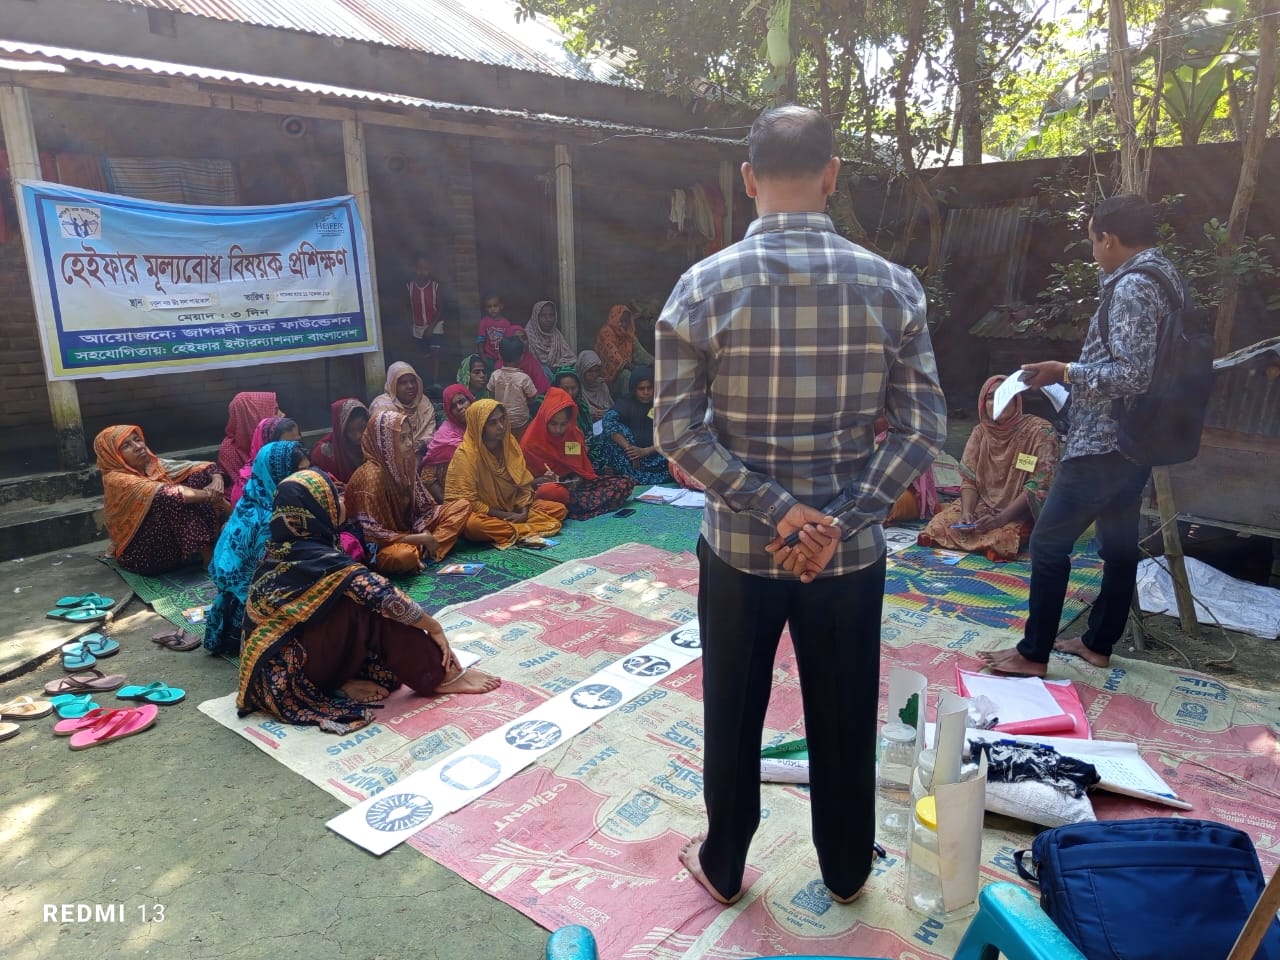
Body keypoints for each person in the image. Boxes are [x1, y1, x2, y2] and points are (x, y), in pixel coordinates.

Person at [653, 105, 946, 906]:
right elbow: (924, 429)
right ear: (831, 175)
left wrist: (778, 513)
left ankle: (723, 863)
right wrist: (835, 521)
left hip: (742, 552)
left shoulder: (699, 287)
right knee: (846, 712)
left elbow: (673, 431)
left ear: (747, 180)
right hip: (847, 558)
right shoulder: (893, 287)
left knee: (733, 711)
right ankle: (848, 868)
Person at [980, 195, 1175, 678]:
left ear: (1108, 238)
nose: (1093, 252)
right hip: (1139, 439)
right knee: (1117, 544)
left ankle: (1033, 654)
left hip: (1104, 442)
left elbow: (1132, 373)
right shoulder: (1167, 278)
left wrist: (1064, 371)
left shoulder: (1133, 286)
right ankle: (1097, 643)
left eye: (1093, 241)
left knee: (1048, 544)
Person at [236, 469, 500, 734]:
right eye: (333, 497)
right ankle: (438, 676)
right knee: (374, 611)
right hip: (290, 682)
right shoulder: (316, 558)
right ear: (315, 510)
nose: (342, 501)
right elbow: (381, 595)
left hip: (280, 674)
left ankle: (340, 681)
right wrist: (433, 627)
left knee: (353, 606)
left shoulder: (286, 548)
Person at [919, 376, 1059, 560]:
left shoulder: (1040, 432)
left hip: (1022, 509)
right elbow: (970, 480)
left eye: (1005, 395)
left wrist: (1001, 519)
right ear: (983, 404)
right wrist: (967, 513)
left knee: (1003, 538)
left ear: (1016, 399)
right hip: (983, 504)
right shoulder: (980, 432)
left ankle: (993, 542)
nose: (998, 401)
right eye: (991, 397)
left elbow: (1037, 486)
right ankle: (980, 539)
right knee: (937, 527)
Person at [206, 440, 309, 655]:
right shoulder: (269, 520)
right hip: (254, 615)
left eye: (308, 471)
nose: (307, 479)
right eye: (299, 473)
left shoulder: (253, 499)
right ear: (278, 474)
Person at [344, 410, 472, 574]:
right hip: (380, 545)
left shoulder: (404, 463)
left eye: (408, 436)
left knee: (462, 506)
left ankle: (428, 550)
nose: (410, 443)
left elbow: (423, 508)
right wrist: (418, 538)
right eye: (402, 439)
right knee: (403, 556)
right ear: (385, 443)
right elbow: (372, 535)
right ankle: (424, 551)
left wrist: (423, 530)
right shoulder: (371, 475)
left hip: (409, 532)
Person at [96, 424, 232, 575]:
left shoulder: (152, 465)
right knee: (170, 497)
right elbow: (167, 493)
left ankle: (210, 546)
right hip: (143, 556)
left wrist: (216, 481)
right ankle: (208, 556)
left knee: (198, 476)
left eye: (137, 440)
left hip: (171, 546)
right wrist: (212, 498)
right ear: (113, 455)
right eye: (127, 445)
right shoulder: (116, 478)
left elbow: (202, 466)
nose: (138, 446)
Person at [443, 399, 568, 547]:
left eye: (502, 419)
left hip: (513, 508)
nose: (501, 427)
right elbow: (466, 502)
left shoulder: (509, 444)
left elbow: (521, 484)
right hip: (486, 515)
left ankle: (512, 530)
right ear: (480, 426)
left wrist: (523, 512)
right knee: (473, 527)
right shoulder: (465, 455)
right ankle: (520, 529)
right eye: (493, 423)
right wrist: (509, 516)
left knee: (559, 510)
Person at [521, 387, 634, 520]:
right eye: (553, 424)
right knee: (551, 492)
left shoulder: (571, 435)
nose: (558, 429)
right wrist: (540, 481)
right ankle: (576, 507)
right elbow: (523, 484)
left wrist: (576, 479)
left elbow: (578, 465)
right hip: (548, 490)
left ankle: (572, 508)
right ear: (544, 418)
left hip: (575, 489)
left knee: (625, 483)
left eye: (563, 424)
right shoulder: (530, 443)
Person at [596, 366, 672, 484]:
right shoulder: (626, 402)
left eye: (649, 388)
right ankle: (631, 474)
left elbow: (671, 433)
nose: (646, 393)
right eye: (641, 389)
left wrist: (646, 451)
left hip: (655, 456)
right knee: (610, 435)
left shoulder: (661, 404)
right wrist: (630, 449)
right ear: (633, 389)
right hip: (631, 457)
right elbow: (608, 421)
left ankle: (639, 477)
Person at [229, 416, 301, 506]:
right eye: (285, 445)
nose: (294, 450)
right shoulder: (247, 487)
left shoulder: (301, 469)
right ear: (266, 446)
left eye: (297, 442)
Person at [369, 361, 435, 456]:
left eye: (413, 381)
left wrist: (418, 447)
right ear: (393, 385)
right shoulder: (382, 406)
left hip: (423, 454)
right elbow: (385, 445)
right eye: (403, 383)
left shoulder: (423, 402)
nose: (410, 386)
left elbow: (429, 434)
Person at [217, 391, 281, 482]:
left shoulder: (279, 438)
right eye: (275, 411)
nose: (282, 414)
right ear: (253, 416)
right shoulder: (229, 451)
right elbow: (242, 488)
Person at [421, 384, 472, 494]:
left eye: (462, 401)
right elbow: (427, 476)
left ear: (471, 400)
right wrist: (447, 503)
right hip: (452, 497)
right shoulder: (444, 435)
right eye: (453, 406)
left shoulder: (484, 427)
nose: (459, 408)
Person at [594, 304, 653, 395]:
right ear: (614, 318)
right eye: (621, 321)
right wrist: (635, 369)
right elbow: (614, 356)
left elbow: (641, 354)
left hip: (628, 369)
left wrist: (656, 363)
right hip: (608, 377)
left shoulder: (628, 334)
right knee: (627, 375)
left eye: (626, 321)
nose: (623, 324)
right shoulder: (606, 332)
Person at [487, 337, 539, 440]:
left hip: (501, 422)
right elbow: (533, 398)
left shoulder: (495, 375)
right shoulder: (524, 378)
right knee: (520, 445)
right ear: (521, 357)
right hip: (520, 422)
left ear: (500, 355)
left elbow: (490, 393)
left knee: (504, 445)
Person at [309, 398, 370, 485]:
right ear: (340, 430)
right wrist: (331, 487)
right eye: (351, 430)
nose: (358, 435)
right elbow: (315, 486)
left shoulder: (373, 446)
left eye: (362, 428)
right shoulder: (323, 454)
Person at [408, 253, 444, 385]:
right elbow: (406, 307)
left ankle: (435, 382)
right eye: (419, 268)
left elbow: (441, 309)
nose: (422, 272)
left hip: (435, 324)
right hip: (417, 325)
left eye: (426, 269)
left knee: (435, 352)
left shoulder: (435, 286)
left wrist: (431, 327)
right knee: (421, 355)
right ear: (414, 268)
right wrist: (409, 324)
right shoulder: (409, 287)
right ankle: (422, 382)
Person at [525, 300, 576, 373]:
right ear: (535, 317)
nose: (548, 319)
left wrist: (553, 369)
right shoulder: (526, 337)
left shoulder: (557, 335)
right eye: (543, 315)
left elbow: (570, 358)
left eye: (551, 315)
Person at [498, 325, 552, 393]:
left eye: (524, 338)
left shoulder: (532, 363)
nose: (522, 342)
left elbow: (542, 388)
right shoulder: (499, 367)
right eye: (517, 338)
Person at [552, 366, 595, 439]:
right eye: (565, 388)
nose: (570, 393)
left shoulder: (582, 408)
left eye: (573, 388)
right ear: (557, 388)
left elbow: (589, 433)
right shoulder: (548, 408)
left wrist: (585, 446)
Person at [575, 350, 614, 422]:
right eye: (589, 371)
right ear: (582, 371)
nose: (594, 374)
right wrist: (590, 412)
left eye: (597, 370)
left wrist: (605, 413)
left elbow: (610, 406)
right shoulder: (577, 388)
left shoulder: (601, 385)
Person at [476, 292, 511, 363]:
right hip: (489, 357)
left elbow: (509, 341)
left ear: (501, 306)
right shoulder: (484, 322)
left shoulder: (506, 323)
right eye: (489, 307)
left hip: (502, 358)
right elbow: (480, 340)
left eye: (495, 306)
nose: (492, 309)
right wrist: (482, 356)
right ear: (486, 308)